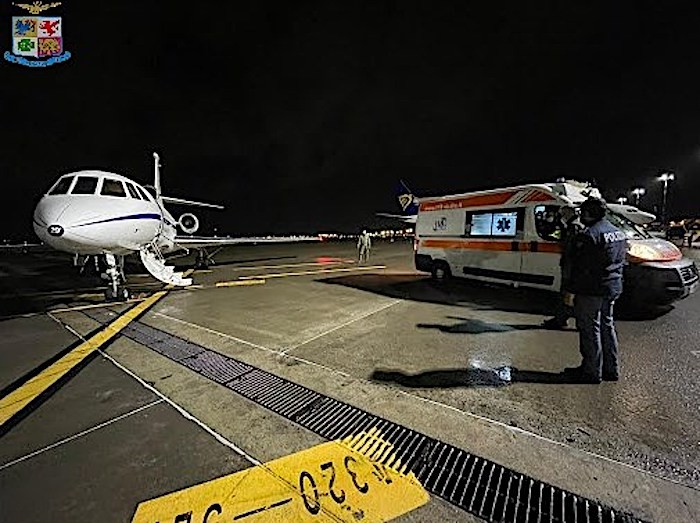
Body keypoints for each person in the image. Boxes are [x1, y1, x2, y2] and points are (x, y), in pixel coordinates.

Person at [564, 197, 628, 384]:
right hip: (612, 287)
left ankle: (591, 371)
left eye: (583, 213)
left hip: (591, 290)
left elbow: (581, 268)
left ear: (589, 213)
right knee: (607, 327)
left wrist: (570, 290)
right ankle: (611, 369)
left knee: (590, 329)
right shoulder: (618, 233)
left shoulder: (589, 235)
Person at [542, 206, 582, 329]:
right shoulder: (574, 225)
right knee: (568, 295)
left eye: (563, 214)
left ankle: (562, 320)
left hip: (571, 267)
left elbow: (570, 248)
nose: (562, 216)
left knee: (567, 294)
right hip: (573, 266)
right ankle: (562, 319)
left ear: (569, 213)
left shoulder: (574, 226)